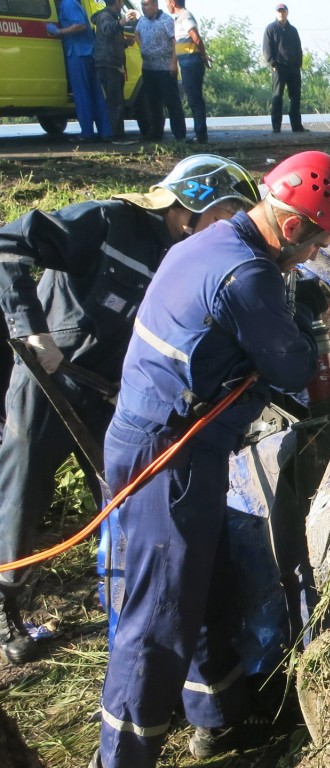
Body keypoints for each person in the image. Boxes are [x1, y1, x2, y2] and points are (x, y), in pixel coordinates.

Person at [91, 151, 330, 768]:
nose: (316, 254)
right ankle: (121, 757)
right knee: (159, 613)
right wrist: (301, 313)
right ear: (292, 227)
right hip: (172, 457)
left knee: (201, 581)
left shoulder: (212, 238)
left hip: (159, 440)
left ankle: (215, 716)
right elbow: (291, 366)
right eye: (318, 241)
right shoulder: (248, 275)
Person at [0, 156, 261, 667]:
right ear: (193, 204)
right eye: (224, 217)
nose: (227, 232)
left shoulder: (190, 256)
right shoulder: (104, 222)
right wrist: (33, 329)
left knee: (126, 497)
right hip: (50, 378)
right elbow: (8, 243)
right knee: (20, 489)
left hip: (113, 396)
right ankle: (7, 607)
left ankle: (124, 599)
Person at [50, 0, 112, 142]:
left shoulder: (67, 4)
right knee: (96, 95)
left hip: (78, 54)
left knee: (82, 94)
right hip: (87, 53)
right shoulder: (76, 4)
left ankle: (87, 134)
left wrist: (59, 31)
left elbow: (80, 25)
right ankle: (105, 132)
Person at [134, 0, 186, 142]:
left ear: (155, 5)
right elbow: (136, 33)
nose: (144, 8)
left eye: (146, 5)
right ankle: (156, 133)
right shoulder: (142, 21)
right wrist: (143, 47)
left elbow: (175, 42)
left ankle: (180, 135)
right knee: (153, 103)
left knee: (172, 102)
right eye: (142, 5)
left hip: (165, 68)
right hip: (148, 68)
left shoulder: (166, 20)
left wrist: (174, 63)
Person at [167, 0, 209, 144]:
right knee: (193, 99)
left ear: (172, 2)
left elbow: (196, 37)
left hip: (192, 62)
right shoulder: (179, 18)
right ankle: (200, 134)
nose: (166, 5)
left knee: (195, 100)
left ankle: (201, 135)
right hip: (186, 63)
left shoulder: (185, 16)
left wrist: (203, 56)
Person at [91, 0, 133, 140]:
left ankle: (115, 133)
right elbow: (108, 30)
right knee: (115, 102)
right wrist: (123, 21)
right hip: (108, 64)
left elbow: (109, 39)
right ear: (117, 2)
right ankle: (115, 135)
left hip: (112, 63)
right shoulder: (105, 16)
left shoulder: (110, 15)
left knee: (115, 100)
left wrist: (125, 43)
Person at [263, 3, 306, 134]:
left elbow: (298, 48)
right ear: (276, 13)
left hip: (293, 68)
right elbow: (266, 49)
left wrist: (298, 63)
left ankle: (297, 126)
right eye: (279, 11)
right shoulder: (270, 28)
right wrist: (273, 64)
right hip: (279, 68)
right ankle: (276, 127)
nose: (281, 13)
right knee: (277, 97)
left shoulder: (293, 30)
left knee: (295, 97)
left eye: (283, 11)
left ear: (287, 12)